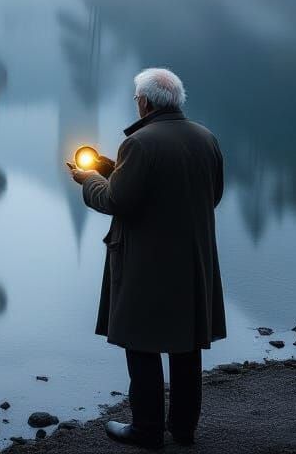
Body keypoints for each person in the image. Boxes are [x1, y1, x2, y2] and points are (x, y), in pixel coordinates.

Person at [67, 68, 225, 449]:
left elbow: (117, 200)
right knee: (186, 344)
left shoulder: (138, 144)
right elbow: (210, 194)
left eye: (136, 98)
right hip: (193, 261)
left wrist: (89, 181)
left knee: (141, 343)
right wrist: (111, 170)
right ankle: (183, 429)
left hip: (147, 261)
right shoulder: (206, 138)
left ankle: (147, 429)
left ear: (145, 101)